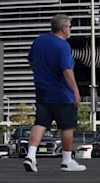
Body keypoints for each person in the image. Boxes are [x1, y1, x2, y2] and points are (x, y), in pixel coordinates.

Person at [24, 14, 86, 173]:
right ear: (64, 29)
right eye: (70, 27)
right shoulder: (63, 46)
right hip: (61, 93)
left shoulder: (39, 41)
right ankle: (66, 161)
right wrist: (76, 91)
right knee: (67, 126)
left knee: (41, 123)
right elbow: (67, 70)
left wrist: (41, 74)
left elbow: (31, 61)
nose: (70, 30)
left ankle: (31, 156)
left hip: (42, 91)